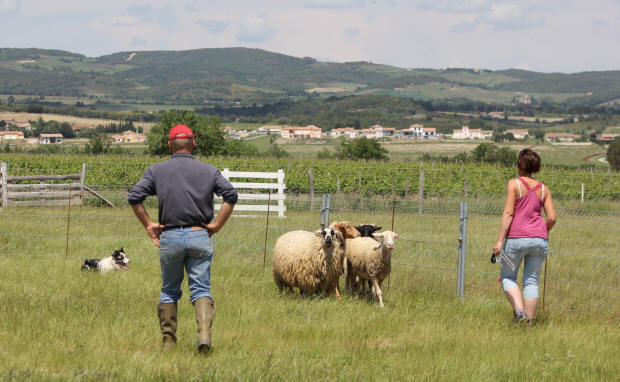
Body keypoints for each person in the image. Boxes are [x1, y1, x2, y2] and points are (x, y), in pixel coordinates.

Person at [128, 124, 237, 352]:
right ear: (193, 144)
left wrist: (149, 224)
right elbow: (231, 195)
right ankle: (204, 336)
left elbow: (134, 197)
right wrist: (217, 224)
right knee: (201, 290)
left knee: (169, 290)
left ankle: (169, 343)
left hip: (169, 237)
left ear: (169, 145)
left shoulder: (156, 170)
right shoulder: (209, 170)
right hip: (199, 235)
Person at [493, 148, 556, 324]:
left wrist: (499, 240)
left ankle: (519, 313)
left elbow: (508, 213)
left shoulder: (514, 184)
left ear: (520, 164)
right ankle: (529, 323)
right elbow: (552, 217)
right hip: (539, 240)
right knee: (531, 281)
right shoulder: (544, 189)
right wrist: (542, 231)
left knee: (507, 277)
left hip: (516, 239)